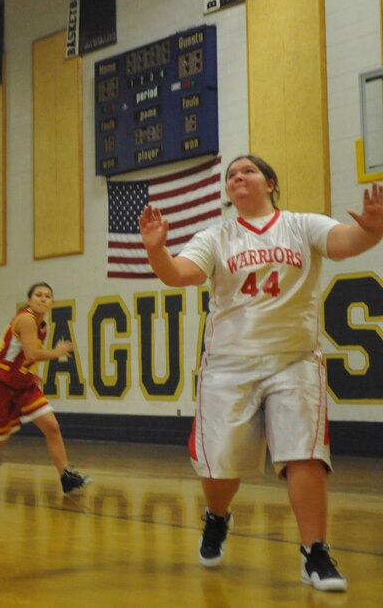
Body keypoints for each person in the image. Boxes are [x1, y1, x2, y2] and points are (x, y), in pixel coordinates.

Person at [139, 155, 383, 593]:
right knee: (221, 470)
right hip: (228, 366)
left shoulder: (302, 225)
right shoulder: (216, 236)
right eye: (231, 175)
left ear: (270, 182)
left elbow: (347, 241)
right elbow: (177, 275)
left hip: (295, 360)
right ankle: (217, 518)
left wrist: (373, 228)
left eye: (247, 171)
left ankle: (315, 551)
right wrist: (157, 249)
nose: (237, 178)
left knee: (304, 456)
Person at [0, 282, 91, 493]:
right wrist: (57, 352)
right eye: (38, 295)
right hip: (1, 385)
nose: (43, 298)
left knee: (51, 426)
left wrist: (29, 372)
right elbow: (32, 354)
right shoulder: (26, 320)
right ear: (29, 300)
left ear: (52, 302)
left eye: (47, 296)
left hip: (23, 385)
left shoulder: (41, 324)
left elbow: (23, 355)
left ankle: (66, 476)